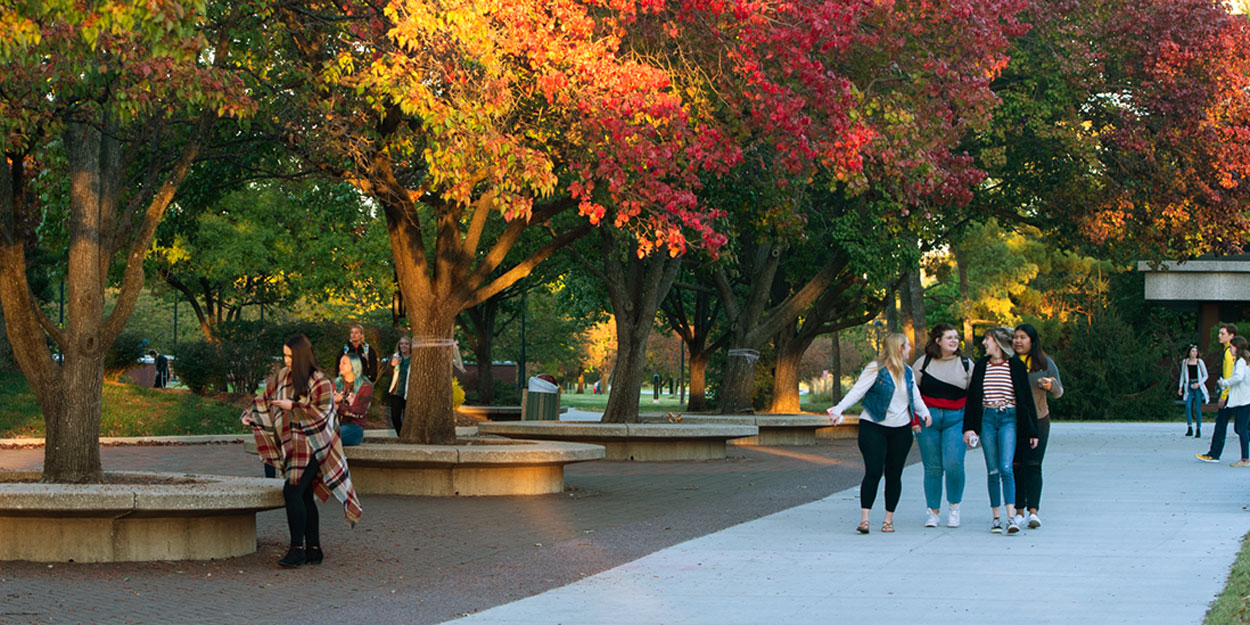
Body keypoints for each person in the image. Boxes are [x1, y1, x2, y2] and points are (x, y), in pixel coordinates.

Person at [241, 334, 362, 568]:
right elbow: (263, 399)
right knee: (304, 495)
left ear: (301, 356)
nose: (287, 360)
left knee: (292, 491)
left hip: (316, 446)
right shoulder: (283, 377)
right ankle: (314, 549)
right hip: (293, 446)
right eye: (285, 355)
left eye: (290, 356)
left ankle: (297, 549)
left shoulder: (320, 381)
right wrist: (250, 415)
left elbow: (324, 413)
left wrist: (293, 406)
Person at [828, 333, 931, 534]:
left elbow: (915, 397)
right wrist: (838, 409)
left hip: (901, 430)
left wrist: (925, 413)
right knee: (874, 471)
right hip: (873, 426)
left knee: (894, 475)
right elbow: (857, 391)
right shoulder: (875, 369)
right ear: (898, 348)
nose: (909, 350)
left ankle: (888, 520)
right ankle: (865, 519)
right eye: (907, 346)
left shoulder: (908, 372)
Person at [963, 327, 1039, 535]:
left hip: (1008, 418)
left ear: (997, 342)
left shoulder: (1014, 365)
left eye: (987, 340)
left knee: (1006, 467)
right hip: (988, 417)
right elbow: (973, 399)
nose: (984, 344)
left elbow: (1026, 399)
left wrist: (1032, 430)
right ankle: (996, 517)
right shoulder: (981, 365)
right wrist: (970, 428)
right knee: (993, 469)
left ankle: (1011, 517)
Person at [913, 324, 973, 528]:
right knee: (932, 468)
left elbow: (974, 397)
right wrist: (916, 421)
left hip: (956, 419)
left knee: (954, 463)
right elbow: (912, 395)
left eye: (956, 338)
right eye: (949, 338)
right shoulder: (923, 363)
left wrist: (972, 426)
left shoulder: (965, 364)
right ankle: (933, 512)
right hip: (928, 420)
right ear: (937, 341)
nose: (955, 341)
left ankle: (954, 508)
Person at [1011, 323, 1064, 530]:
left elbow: (1059, 391)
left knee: (1033, 465)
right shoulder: (1008, 362)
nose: (1018, 341)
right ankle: (1018, 511)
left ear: (1032, 341)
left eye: (1022, 337)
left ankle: (1033, 512)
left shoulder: (1044, 363)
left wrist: (1051, 386)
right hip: (1012, 421)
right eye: (1015, 337)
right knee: (1016, 466)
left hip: (1039, 420)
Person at [1198, 324, 1238, 463]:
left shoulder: (1228, 353)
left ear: (1231, 336)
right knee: (1241, 426)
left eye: (1222, 333)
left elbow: (1229, 376)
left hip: (1230, 394)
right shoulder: (1230, 351)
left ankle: (1214, 454)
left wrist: (1223, 396)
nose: (1219, 336)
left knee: (1221, 423)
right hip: (1235, 393)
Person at [1219, 336, 1250, 468]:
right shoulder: (1244, 360)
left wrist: (1224, 383)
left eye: (1231, 347)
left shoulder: (1241, 362)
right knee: (1241, 428)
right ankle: (1245, 457)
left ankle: (1245, 459)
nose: (1230, 349)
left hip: (1244, 400)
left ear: (1237, 348)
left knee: (1241, 428)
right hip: (1244, 398)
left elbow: (1238, 377)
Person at [334, 352, 374, 447]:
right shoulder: (336, 383)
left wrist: (338, 407)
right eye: (340, 363)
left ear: (354, 365)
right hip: (335, 423)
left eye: (344, 363)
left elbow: (361, 411)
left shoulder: (365, 386)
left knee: (332, 438)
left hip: (354, 427)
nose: (340, 366)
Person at [1178, 345, 1208, 438]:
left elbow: (1205, 375)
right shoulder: (1185, 362)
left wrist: (1199, 383)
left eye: (1196, 351)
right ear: (1189, 352)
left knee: (1197, 407)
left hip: (1197, 385)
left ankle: (1198, 428)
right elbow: (1183, 375)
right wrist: (1180, 387)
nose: (1195, 353)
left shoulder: (1200, 362)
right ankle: (1189, 427)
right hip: (1189, 385)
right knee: (1188, 406)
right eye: (1193, 351)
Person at [388, 336, 412, 435]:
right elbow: (388, 373)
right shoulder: (395, 357)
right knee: (395, 416)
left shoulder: (414, 358)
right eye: (401, 344)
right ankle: (400, 435)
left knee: (408, 416)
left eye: (406, 343)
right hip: (397, 390)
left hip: (409, 391)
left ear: (410, 346)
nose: (403, 346)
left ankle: (407, 435)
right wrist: (391, 365)